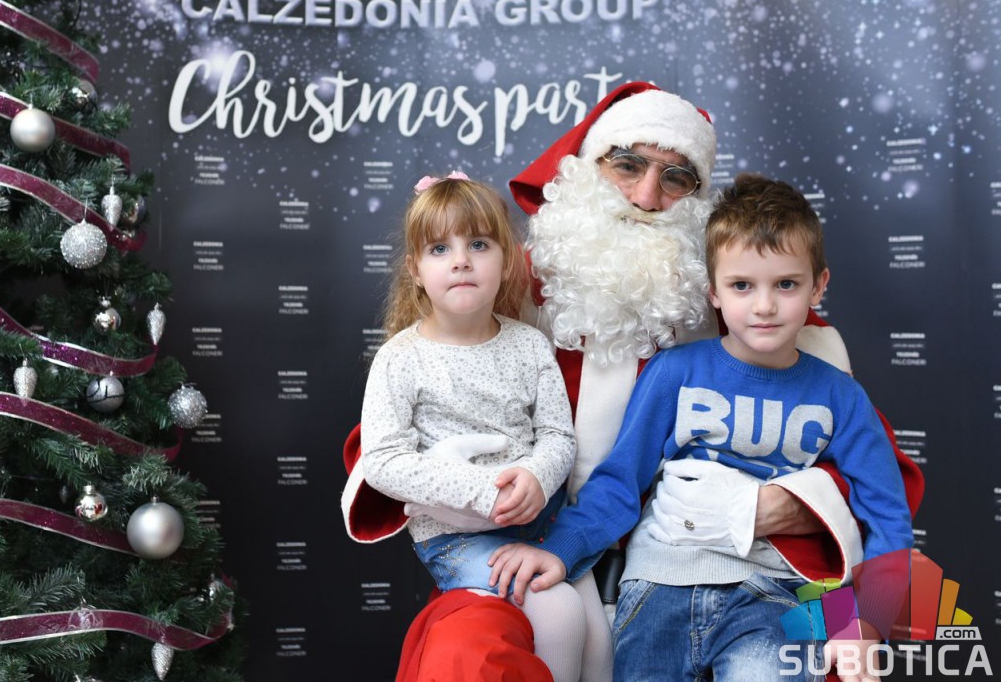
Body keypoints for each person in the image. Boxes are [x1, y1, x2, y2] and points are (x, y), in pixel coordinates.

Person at [340, 81, 923, 681]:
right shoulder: (502, 285)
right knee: (467, 654)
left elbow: (877, 488)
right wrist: (465, 482)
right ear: (584, 168)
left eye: (676, 178)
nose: (647, 196)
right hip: (530, 545)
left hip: (733, 574)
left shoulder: (755, 314)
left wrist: (787, 508)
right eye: (627, 165)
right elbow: (396, 426)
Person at [489, 173, 914, 680]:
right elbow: (620, 483)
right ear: (713, 291)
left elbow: (886, 518)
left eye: (786, 284)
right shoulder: (676, 373)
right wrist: (561, 551)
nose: (764, 305)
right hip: (660, 584)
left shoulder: (840, 396)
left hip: (776, 596)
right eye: (742, 286)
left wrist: (867, 622)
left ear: (818, 285)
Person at [355, 174, 595, 681]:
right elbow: (383, 461)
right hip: (456, 537)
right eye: (440, 248)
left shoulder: (529, 345)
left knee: (599, 643)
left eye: (479, 245)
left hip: (541, 521)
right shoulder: (401, 358)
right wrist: (484, 491)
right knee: (559, 611)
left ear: (507, 262)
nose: (461, 260)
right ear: (415, 270)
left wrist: (536, 477)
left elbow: (557, 435)